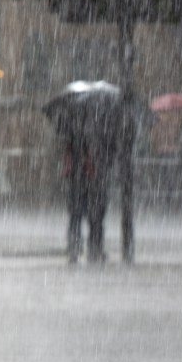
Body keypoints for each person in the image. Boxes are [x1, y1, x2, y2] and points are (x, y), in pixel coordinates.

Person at [64, 110, 119, 264]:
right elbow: (109, 153)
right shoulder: (103, 127)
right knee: (94, 217)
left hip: (80, 178)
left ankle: (76, 247)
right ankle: (94, 248)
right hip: (92, 178)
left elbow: (69, 152)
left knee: (78, 215)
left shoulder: (73, 127)